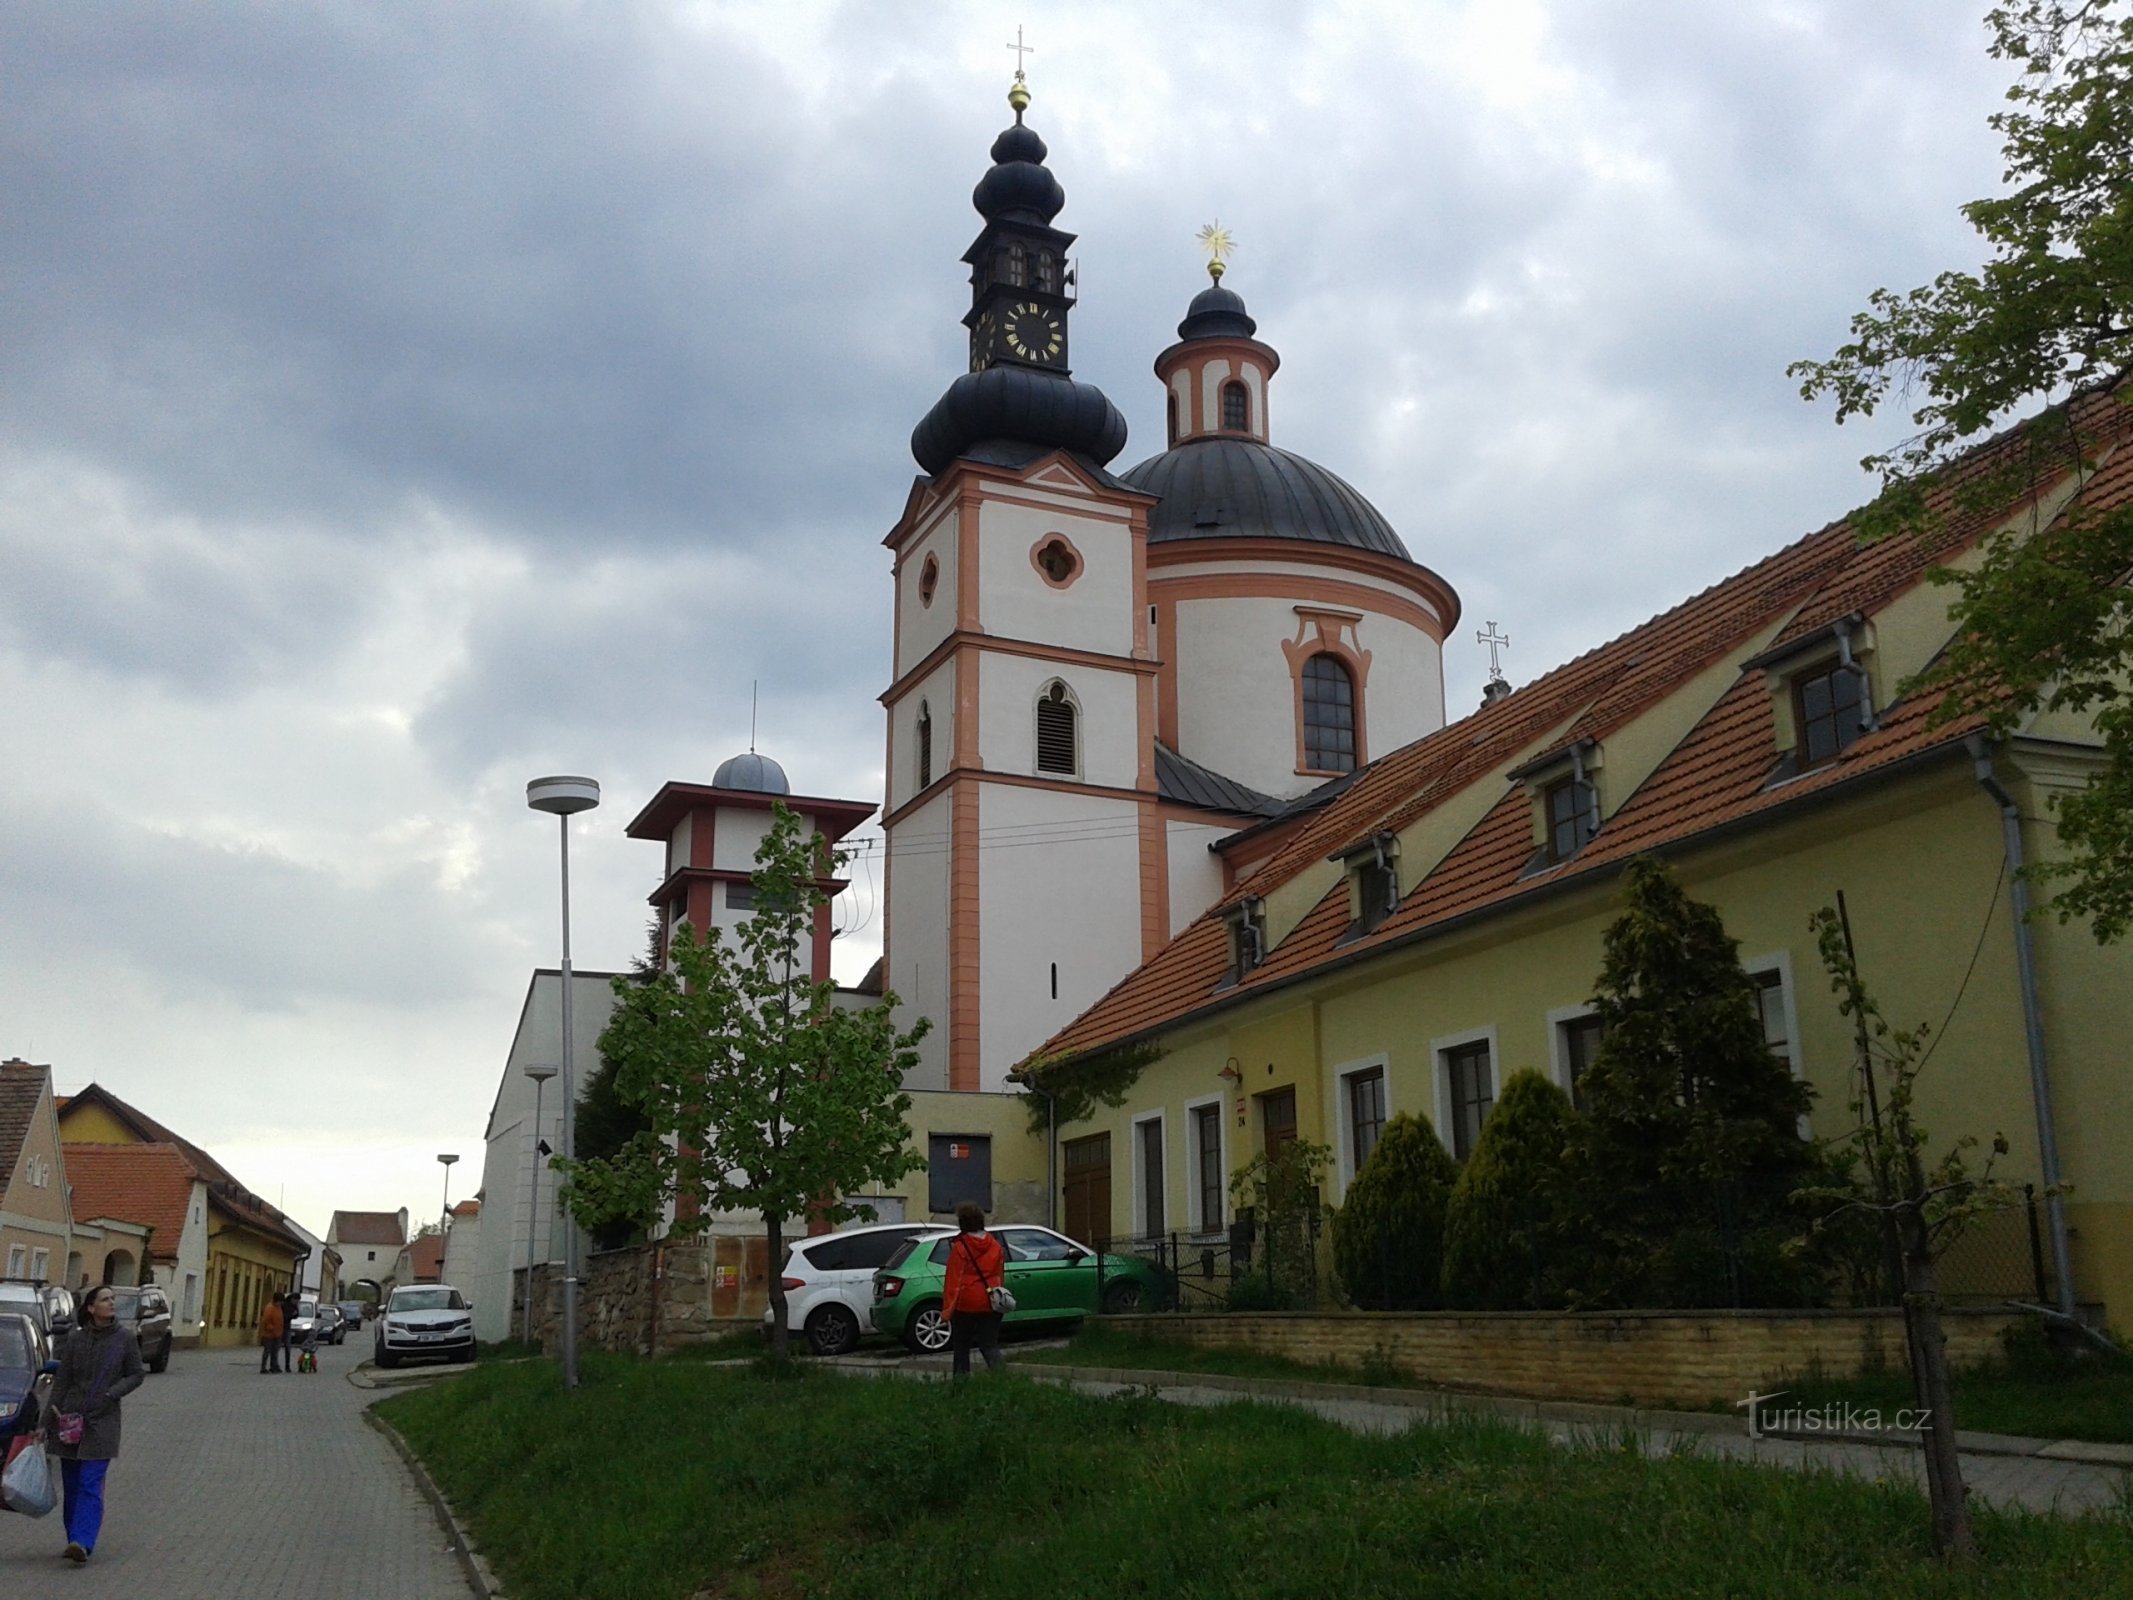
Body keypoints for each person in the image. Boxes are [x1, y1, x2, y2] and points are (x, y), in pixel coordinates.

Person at [41, 1283, 145, 1564]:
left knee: (90, 1481)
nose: (111, 1303)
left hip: (103, 1421)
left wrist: (113, 1393)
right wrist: (45, 1423)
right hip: (70, 1421)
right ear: (90, 1308)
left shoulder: (124, 1339)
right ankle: (73, 1539)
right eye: (105, 1299)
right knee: (73, 1485)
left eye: (112, 1299)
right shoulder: (76, 1340)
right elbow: (63, 1381)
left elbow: (136, 1374)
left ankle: (83, 1540)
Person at [937, 1200, 1006, 1379]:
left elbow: (953, 1281)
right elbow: (999, 1276)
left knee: (961, 1347)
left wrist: (946, 1311)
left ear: (962, 1224)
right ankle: (1004, 1380)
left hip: (966, 1304)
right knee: (989, 1345)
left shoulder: (960, 1248)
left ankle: (961, 1386)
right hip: (990, 1301)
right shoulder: (995, 1246)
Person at [258, 1295, 284, 1374]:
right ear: (276, 1300)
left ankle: (273, 1366)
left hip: (277, 1333)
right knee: (267, 1351)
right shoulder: (270, 1308)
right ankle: (263, 1367)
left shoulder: (278, 1308)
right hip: (269, 1334)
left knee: (275, 1351)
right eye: (280, 1302)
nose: (281, 1303)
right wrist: (270, 1328)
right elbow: (266, 1320)